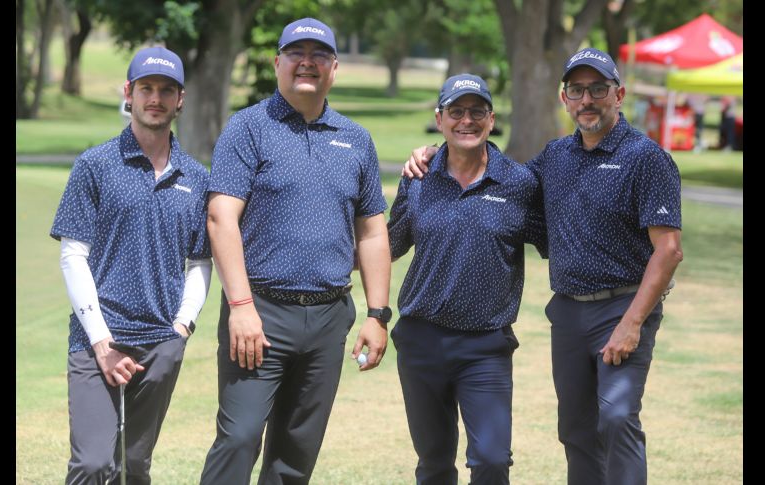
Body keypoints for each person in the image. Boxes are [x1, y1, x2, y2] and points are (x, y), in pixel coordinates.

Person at [403, 47, 683, 485]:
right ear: (565, 98)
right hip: (568, 313)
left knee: (616, 417)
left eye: (598, 89)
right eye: (577, 90)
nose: (587, 99)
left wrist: (632, 323)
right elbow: (495, 177)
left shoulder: (646, 158)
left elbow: (668, 251)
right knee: (575, 430)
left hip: (623, 308)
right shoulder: (555, 158)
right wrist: (432, 155)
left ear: (619, 94)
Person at [199, 17, 391, 484]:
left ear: (334, 68)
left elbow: (372, 233)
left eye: (319, 55)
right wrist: (240, 306)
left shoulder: (356, 139)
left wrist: (377, 314)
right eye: (296, 54)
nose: (307, 63)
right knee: (240, 435)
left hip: (328, 317)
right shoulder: (249, 128)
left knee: (295, 453)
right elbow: (221, 218)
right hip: (260, 313)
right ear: (278, 63)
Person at [50, 45, 213, 484]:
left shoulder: (197, 179)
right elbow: (73, 256)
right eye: (146, 88)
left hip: (161, 343)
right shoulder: (95, 165)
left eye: (166, 89)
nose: (155, 98)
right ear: (129, 93)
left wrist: (182, 328)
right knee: (92, 464)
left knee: (135, 467)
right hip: (95, 340)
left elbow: (199, 261)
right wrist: (103, 343)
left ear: (180, 99)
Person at [388, 74, 546, 485]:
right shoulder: (418, 176)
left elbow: (557, 243)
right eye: (456, 111)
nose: (466, 120)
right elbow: (390, 243)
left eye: (477, 112)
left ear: (491, 120)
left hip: (485, 347)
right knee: (435, 462)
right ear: (439, 119)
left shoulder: (519, 183)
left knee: (492, 461)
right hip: (421, 341)